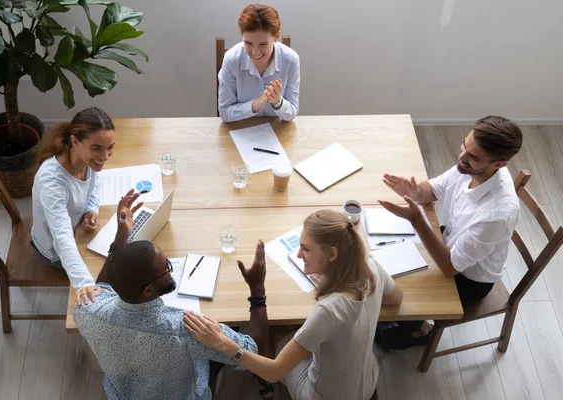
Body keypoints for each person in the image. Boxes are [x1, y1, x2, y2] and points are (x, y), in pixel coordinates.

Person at [185, 210, 404, 400]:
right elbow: (396, 298)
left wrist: (222, 343)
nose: (299, 254)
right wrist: (333, 280)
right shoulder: (372, 268)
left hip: (324, 395)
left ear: (332, 254)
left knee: (280, 334)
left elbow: (274, 371)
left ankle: (268, 391)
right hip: (366, 381)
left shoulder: (328, 311)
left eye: (306, 249)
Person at [74, 190, 266, 400]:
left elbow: (102, 285)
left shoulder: (86, 310)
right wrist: (257, 290)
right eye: (167, 267)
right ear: (148, 290)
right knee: (231, 330)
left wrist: (121, 239)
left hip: (124, 392)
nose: (170, 267)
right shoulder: (190, 330)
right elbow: (253, 350)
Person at [377, 115, 523, 347]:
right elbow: (433, 191)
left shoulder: (498, 214)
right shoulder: (469, 167)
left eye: (473, 157)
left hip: (469, 278)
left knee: (397, 286)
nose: (462, 157)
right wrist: (414, 192)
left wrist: (416, 219)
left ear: (499, 164)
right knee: (382, 257)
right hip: (450, 240)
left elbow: (450, 267)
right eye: (464, 146)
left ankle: (422, 329)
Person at [32, 107, 115, 306]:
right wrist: (84, 283)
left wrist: (91, 209)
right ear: (75, 141)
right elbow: (61, 237)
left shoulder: (85, 160)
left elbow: (93, 185)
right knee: (116, 266)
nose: (105, 156)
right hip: (54, 250)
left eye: (110, 147)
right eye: (97, 148)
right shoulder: (52, 180)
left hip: (76, 229)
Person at [218, 4, 300, 122]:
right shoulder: (232, 59)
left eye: (263, 44)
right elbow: (225, 112)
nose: (256, 53)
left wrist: (278, 102)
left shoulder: (291, 60)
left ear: (276, 36)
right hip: (240, 129)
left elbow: (292, 112)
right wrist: (256, 104)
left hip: (277, 131)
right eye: (248, 43)